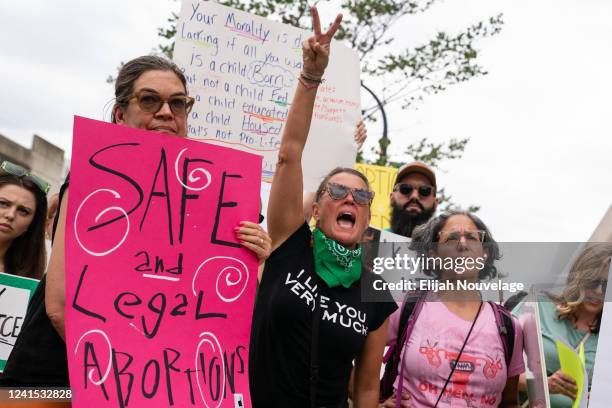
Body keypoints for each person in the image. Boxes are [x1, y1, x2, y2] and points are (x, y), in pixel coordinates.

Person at [0, 55, 271, 386]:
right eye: (149, 100)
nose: (166, 112)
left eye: (179, 103)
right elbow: (59, 305)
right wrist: (118, 382)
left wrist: (254, 259)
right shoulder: (92, 174)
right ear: (119, 113)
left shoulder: (209, 198)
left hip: (147, 383)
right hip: (55, 379)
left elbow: (226, 317)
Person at [249, 7, 397, 407]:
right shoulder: (288, 245)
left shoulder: (375, 292)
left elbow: (366, 387)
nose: (351, 198)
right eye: (337, 191)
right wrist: (311, 76)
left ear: (367, 218)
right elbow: (290, 155)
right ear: (316, 208)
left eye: (362, 196)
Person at [382, 210, 524, 407]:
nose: (463, 244)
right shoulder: (407, 307)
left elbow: (509, 402)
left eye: (472, 238)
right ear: (433, 254)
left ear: (485, 253)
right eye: (452, 238)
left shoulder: (509, 327)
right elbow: (347, 353)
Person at [513, 243, 612, 407]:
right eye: (594, 281)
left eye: (608, 286)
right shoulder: (539, 305)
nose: (599, 291)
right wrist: (544, 384)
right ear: (579, 277)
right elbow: (495, 364)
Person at [0, 161, 49, 279]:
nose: (10, 215)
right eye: (3, 203)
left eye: (23, 211)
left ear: (32, 223)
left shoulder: (30, 279)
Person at [389, 161, 438, 238]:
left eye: (424, 190)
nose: (414, 196)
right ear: (391, 198)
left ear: (435, 203)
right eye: (405, 188)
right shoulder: (371, 242)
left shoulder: (445, 247)